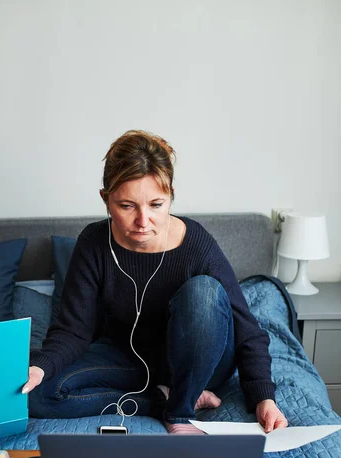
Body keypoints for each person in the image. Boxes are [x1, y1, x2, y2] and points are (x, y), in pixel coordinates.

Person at [23, 130, 288, 435]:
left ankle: (179, 410)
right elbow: (73, 329)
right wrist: (41, 366)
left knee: (203, 292)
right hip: (131, 359)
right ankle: (159, 399)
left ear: (171, 197)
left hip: (199, 364)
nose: (143, 221)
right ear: (105, 199)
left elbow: (247, 328)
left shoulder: (196, 244)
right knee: (33, 394)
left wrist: (263, 397)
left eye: (156, 205)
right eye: (126, 206)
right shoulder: (94, 243)